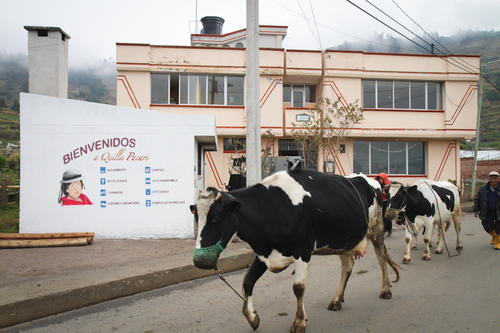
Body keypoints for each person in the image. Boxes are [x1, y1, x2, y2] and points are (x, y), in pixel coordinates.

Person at [473, 171, 500, 250]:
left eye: (495, 179)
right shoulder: (483, 188)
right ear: (489, 179)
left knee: (499, 227)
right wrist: (476, 209)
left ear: (498, 179)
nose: (493, 180)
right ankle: (495, 236)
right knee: (487, 226)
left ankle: (498, 242)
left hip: (498, 211)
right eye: (491, 178)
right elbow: (477, 199)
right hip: (487, 210)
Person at [375, 172, 392, 236]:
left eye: (381, 179)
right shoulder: (378, 186)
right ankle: (387, 229)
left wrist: (386, 194)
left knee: (386, 216)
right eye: (379, 179)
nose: (380, 180)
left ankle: (386, 229)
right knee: (381, 216)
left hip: (386, 202)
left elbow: (391, 195)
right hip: (380, 201)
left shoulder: (388, 186)